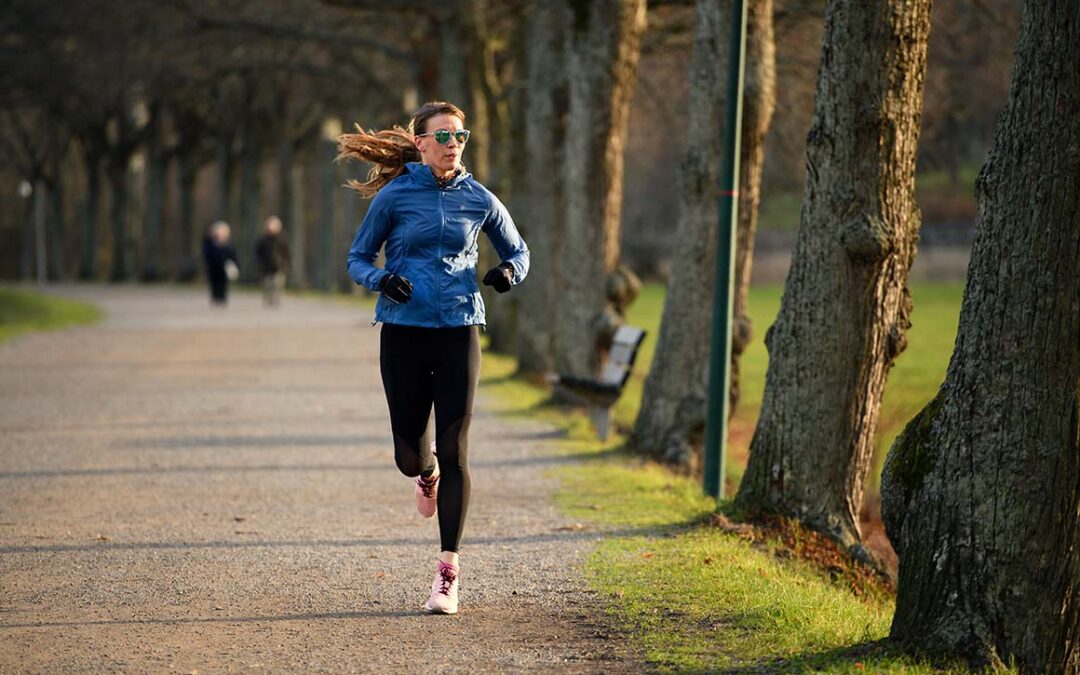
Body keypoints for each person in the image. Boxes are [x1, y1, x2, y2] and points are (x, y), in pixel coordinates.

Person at [339, 101, 529, 615]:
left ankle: (448, 572)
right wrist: (383, 280)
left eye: (460, 136)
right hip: (403, 331)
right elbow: (357, 259)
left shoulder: (480, 198)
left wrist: (509, 274)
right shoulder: (396, 195)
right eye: (442, 136)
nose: (453, 144)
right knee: (410, 455)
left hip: (460, 330)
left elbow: (519, 252)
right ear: (420, 143)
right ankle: (425, 474)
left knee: (456, 446)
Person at [255, 215, 291, 307]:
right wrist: (259, 263)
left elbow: (287, 253)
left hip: (279, 267)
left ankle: (276, 300)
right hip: (266, 267)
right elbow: (258, 253)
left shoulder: (282, 240)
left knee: (277, 284)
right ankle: (268, 300)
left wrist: (286, 263)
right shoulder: (263, 240)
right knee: (267, 285)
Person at [203, 221, 239, 307]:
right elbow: (207, 254)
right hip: (214, 268)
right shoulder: (210, 244)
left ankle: (222, 298)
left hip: (224, 268)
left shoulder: (228, 245)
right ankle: (215, 298)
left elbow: (233, 256)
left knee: (223, 284)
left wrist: (235, 265)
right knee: (214, 284)